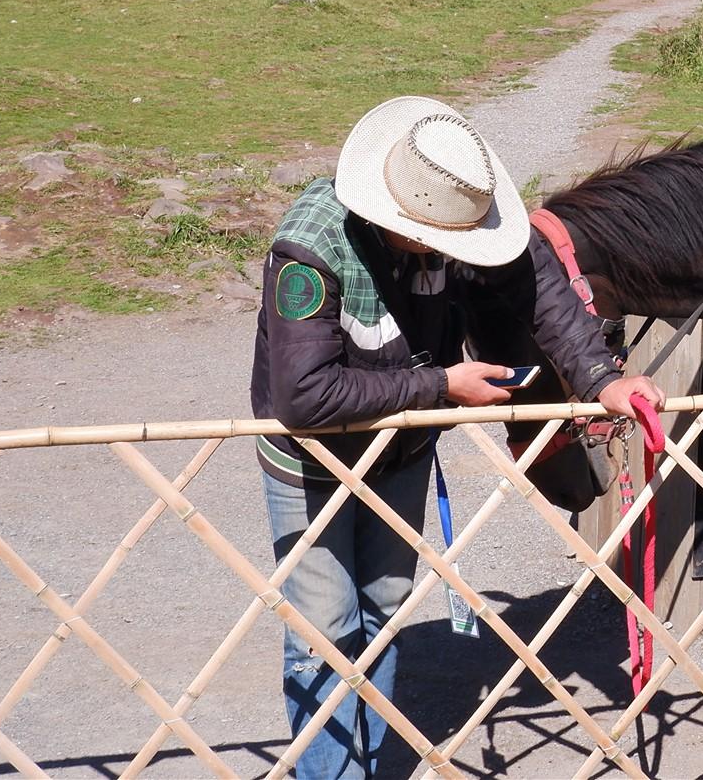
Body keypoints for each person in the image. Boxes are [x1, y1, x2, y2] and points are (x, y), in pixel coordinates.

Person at [252, 96, 663, 780]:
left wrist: (601, 379)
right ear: (402, 219)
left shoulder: (458, 210)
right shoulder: (310, 249)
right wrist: (443, 385)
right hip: (312, 464)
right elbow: (304, 395)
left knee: (382, 614)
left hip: (403, 453)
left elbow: (542, 288)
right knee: (324, 634)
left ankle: (369, 770)